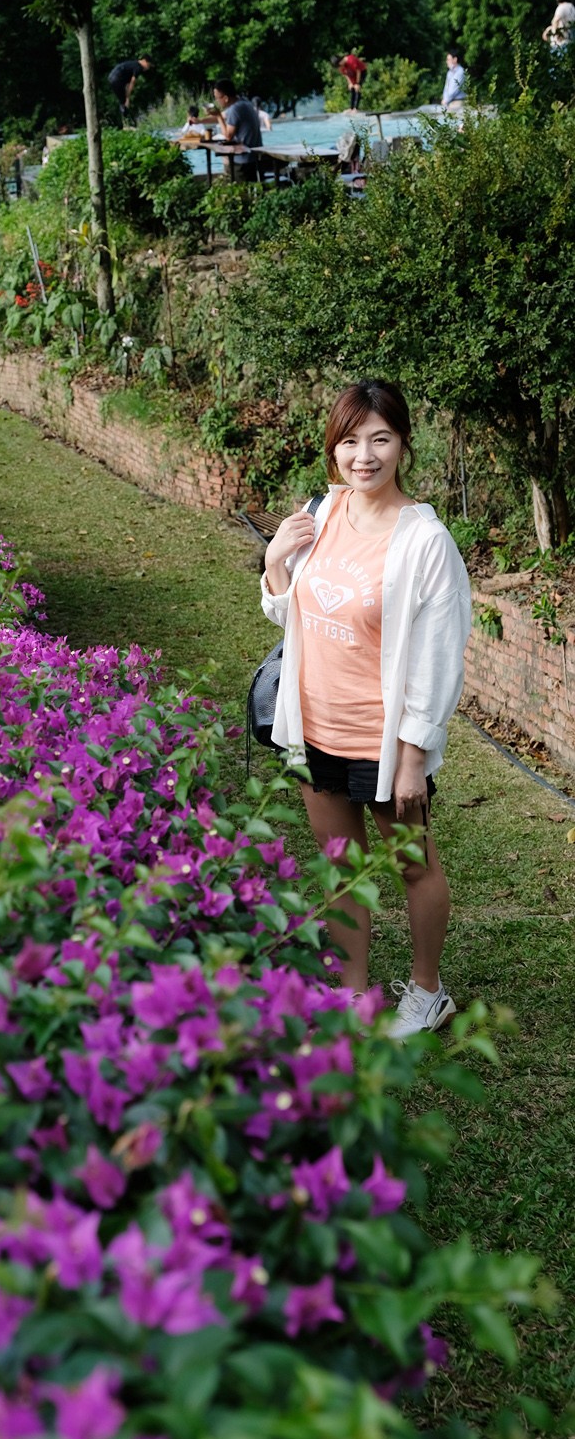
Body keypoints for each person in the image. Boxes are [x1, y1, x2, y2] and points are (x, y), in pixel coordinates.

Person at [260, 380, 471, 1038]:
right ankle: (352, 990)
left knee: (412, 863)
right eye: (351, 440)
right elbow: (290, 612)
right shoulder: (321, 513)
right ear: (335, 446)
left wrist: (413, 758)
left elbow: (440, 660)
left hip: (382, 741)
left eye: (380, 439)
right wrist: (274, 563)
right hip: (313, 724)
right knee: (340, 864)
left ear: (404, 444)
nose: (364, 455)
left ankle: (428, 991)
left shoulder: (425, 542)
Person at [107, 55, 153, 121]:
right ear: (144, 61)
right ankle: (125, 120)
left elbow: (127, 84)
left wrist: (127, 96)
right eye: (148, 65)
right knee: (124, 102)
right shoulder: (139, 67)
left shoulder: (132, 65)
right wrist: (128, 96)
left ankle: (125, 117)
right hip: (117, 78)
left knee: (123, 101)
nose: (148, 68)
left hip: (112, 77)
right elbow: (133, 81)